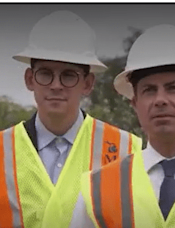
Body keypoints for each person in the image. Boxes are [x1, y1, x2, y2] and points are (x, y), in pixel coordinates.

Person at [0, 10, 142, 228]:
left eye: (68, 75)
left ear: (87, 83)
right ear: (29, 79)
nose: (56, 85)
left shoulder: (124, 150)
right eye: (45, 73)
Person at [70, 24, 175, 228]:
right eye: (149, 90)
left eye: (173, 88)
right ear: (134, 103)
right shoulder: (96, 190)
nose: (160, 100)